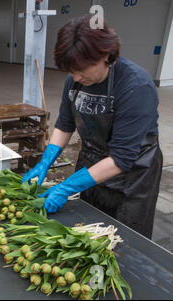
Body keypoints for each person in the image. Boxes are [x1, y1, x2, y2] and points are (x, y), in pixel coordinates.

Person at [22, 14, 163, 239]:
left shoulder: (136, 86)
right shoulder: (76, 81)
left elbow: (122, 158)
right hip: (91, 165)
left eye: (82, 69)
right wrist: (45, 161)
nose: (76, 77)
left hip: (131, 176)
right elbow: (65, 124)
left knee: (124, 241)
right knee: (86, 229)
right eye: (70, 70)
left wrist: (67, 186)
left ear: (106, 55)